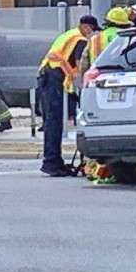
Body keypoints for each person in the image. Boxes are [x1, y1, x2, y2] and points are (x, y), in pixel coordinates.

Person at [37, 15, 98, 176]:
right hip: (53, 78)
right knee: (54, 122)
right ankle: (51, 162)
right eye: (91, 31)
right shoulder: (80, 39)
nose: (91, 35)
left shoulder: (69, 34)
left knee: (52, 121)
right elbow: (80, 64)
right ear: (86, 27)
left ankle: (53, 161)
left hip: (49, 76)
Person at [79, 6, 132, 80]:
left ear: (107, 22)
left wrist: (84, 79)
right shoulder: (128, 37)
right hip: (123, 76)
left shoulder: (95, 38)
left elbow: (84, 63)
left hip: (97, 76)